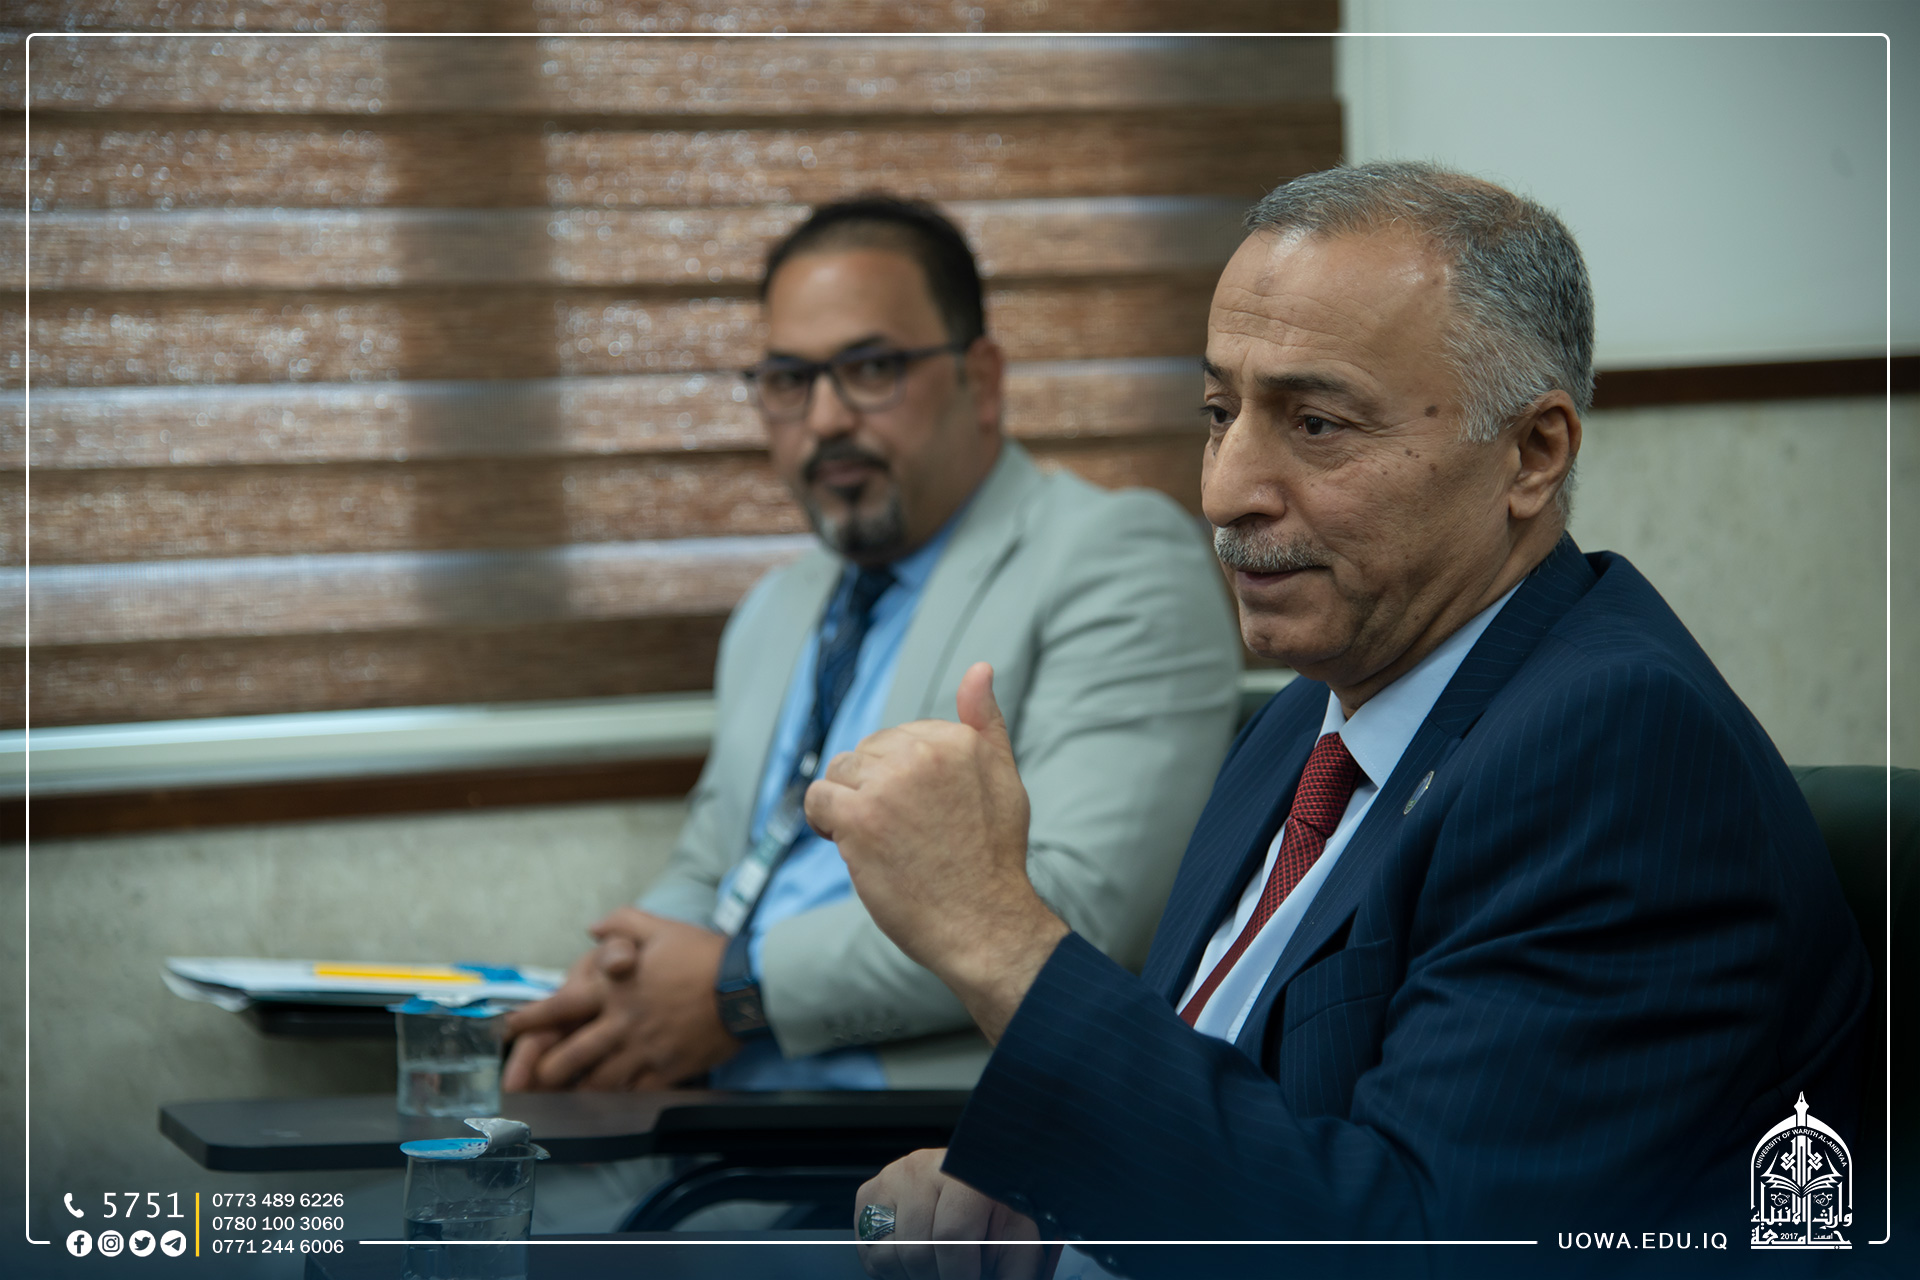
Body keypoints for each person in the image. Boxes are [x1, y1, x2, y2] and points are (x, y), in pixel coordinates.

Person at [808, 164, 1871, 1273]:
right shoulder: (1300, 725)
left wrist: (993, 935)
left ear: (1532, 453)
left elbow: (1415, 1247)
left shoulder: (1618, 749)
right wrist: (1055, 1206)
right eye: (1219, 414)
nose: (1226, 492)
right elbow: (1245, 1126)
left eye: (1315, 423)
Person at [503, 195, 1241, 1100]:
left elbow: (1082, 913)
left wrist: (741, 991)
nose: (824, 420)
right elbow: (711, 865)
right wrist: (612, 992)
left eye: (870, 368)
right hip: (710, 1100)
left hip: (920, 1129)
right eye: (788, 380)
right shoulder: (776, 608)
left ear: (982, 379)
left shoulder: (1116, 560)